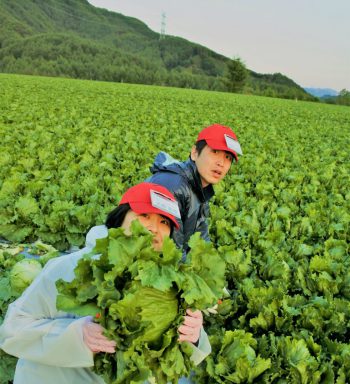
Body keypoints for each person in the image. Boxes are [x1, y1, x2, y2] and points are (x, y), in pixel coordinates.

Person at [0, 182, 210, 384]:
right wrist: (77, 335)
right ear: (119, 219)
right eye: (144, 215)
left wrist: (194, 336)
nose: (155, 228)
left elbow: (171, 361)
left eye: (165, 222)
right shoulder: (67, 268)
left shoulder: (170, 285)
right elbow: (12, 331)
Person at [147, 123, 243, 254]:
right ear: (194, 153)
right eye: (215, 152)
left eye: (228, 157)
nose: (221, 163)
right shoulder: (173, 187)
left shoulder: (200, 188)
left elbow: (202, 239)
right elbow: (170, 254)